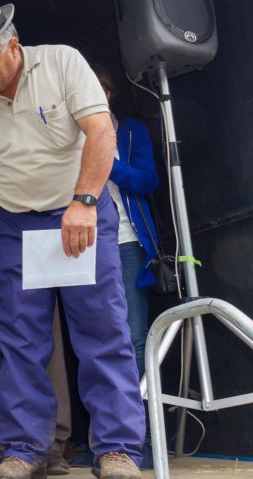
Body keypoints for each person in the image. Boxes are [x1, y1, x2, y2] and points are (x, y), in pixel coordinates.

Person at [0, 1, 145, 479]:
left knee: (102, 333)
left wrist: (85, 201)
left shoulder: (62, 61)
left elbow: (100, 132)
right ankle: (26, 448)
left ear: (13, 45)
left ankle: (117, 449)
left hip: (79, 214)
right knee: (19, 341)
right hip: (15, 227)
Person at [93, 65, 160, 378]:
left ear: (110, 94)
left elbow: (148, 181)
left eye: (100, 90)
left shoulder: (132, 131)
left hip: (127, 242)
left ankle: (144, 426)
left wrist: (108, 165)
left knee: (135, 335)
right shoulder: (65, 138)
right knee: (99, 339)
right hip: (84, 247)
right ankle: (112, 423)